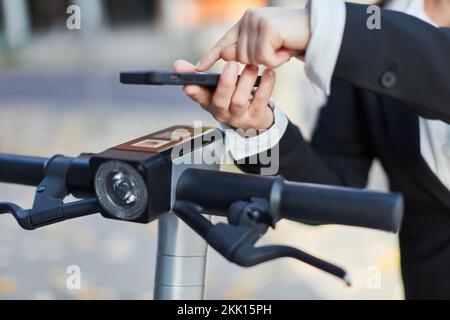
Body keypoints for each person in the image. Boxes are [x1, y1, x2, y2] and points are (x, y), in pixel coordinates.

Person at [174, 0, 450, 299]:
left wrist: (330, 29)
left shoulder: (361, 34)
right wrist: (257, 129)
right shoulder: (374, 25)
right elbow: (331, 185)